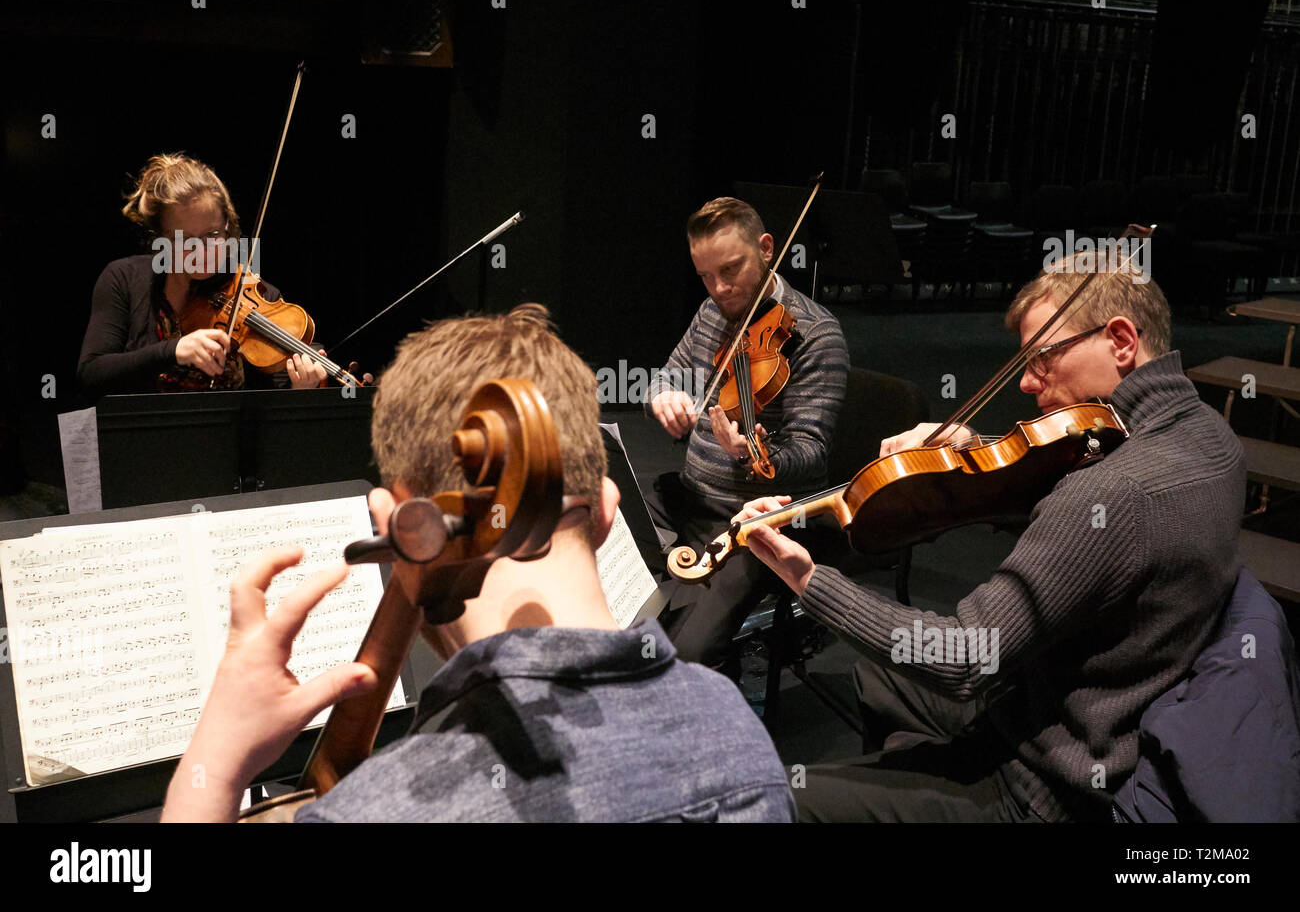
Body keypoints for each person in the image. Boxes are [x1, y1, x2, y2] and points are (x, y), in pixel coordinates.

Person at [161, 303, 795, 823]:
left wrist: (212, 765)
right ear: (606, 508)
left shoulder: (384, 811)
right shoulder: (736, 733)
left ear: (393, 521)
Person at [733, 250, 1246, 821]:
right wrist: (979, 455)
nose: (1027, 382)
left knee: (779, 801)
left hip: (1046, 784)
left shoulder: (1114, 493)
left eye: (1043, 358)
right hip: (1095, 709)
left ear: (1121, 341)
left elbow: (962, 658)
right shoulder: (1210, 436)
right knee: (882, 678)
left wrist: (807, 579)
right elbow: (1108, 550)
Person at [646, 197, 848, 670]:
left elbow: (812, 453)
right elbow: (668, 374)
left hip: (756, 521)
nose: (719, 288)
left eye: (731, 269)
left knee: (689, 650)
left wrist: (751, 453)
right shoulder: (712, 313)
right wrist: (663, 396)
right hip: (691, 498)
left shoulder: (815, 335)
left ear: (766, 248)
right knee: (595, 547)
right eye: (705, 276)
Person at [77, 153, 328, 399]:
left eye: (212, 234)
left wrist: (301, 390)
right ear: (161, 237)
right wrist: (173, 350)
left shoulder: (253, 293)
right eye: (185, 239)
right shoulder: (123, 278)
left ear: (228, 227)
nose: (202, 250)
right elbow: (92, 373)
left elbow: (271, 399)